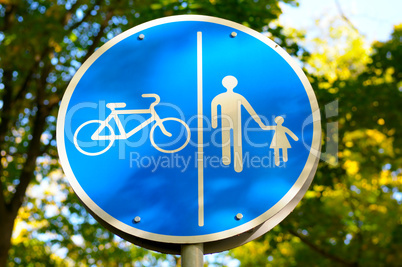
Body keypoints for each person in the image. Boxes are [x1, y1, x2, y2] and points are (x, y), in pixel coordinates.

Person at [211, 75, 266, 172]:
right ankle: (232, 163)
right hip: (230, 122)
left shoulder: (222, 97)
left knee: (230, 141)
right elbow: (214, 106)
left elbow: (214, 106)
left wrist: (214, 123)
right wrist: (259, 121)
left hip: (231, 122)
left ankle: (230, 162)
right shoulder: (236, 96)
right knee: (232, 141)